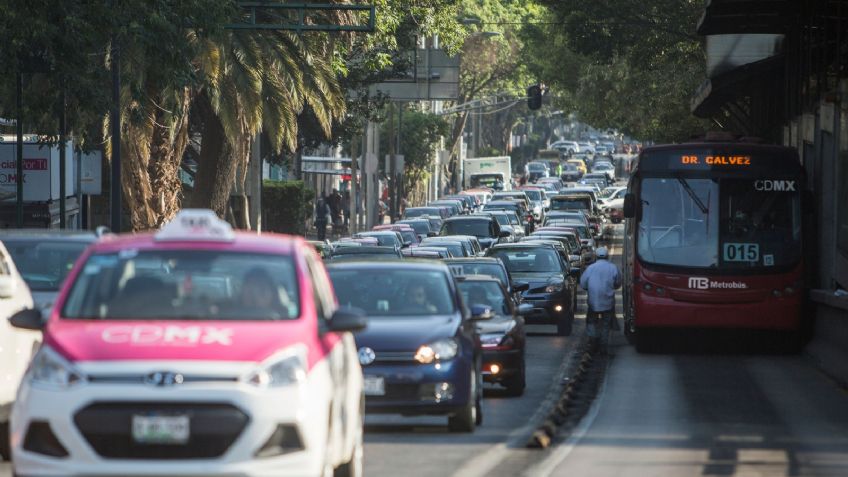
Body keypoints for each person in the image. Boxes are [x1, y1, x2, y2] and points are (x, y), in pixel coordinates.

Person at [579, 246, 621, 353]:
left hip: (593, 302)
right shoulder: (613, 268)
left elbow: (583, 283)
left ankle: (593, 340)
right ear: (607, 256)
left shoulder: (591, 268)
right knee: (606, 324)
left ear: (596, 256)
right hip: (608, 302)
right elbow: (617, 283)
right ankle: (603, 345)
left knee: (591, 321)